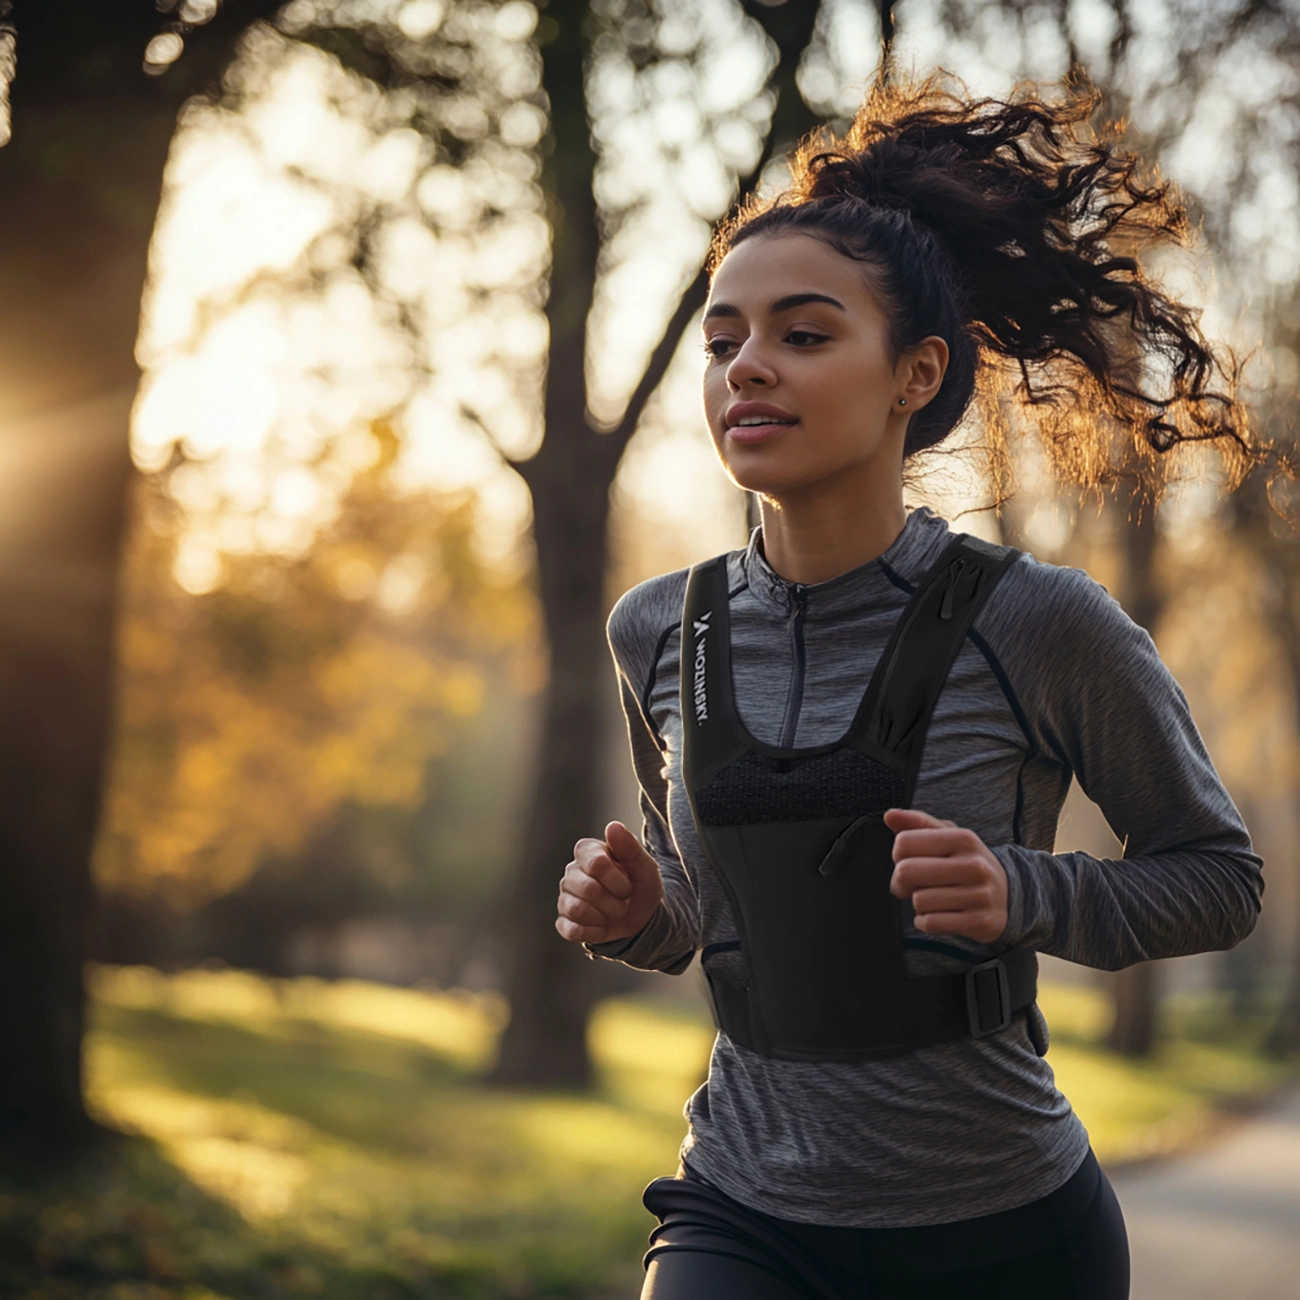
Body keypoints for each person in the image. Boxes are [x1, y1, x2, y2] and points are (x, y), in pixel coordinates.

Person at [554, 75, 1263, 1300]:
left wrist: (1022, 892)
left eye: (803, 334)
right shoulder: (657, 627)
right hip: (743, 1203)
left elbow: (1217, 878)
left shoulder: (1040, 623)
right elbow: (702, 915)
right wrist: (635, 916)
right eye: (722, 341)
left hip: (999, 1228)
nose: (746, 369)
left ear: (913, 373)